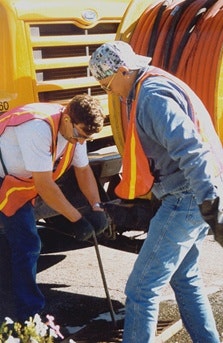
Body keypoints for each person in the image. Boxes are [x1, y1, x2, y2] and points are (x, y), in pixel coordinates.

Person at [89, 41, 223, 343]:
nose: (110, 93)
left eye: (107, 86)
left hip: (187, 197)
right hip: (190, 193)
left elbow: (192, 151)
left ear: (123, 71)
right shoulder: (153, 84)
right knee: (185, 278)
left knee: (141, 289)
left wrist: (210, 207)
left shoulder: (152, 97)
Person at [0, 94, 108, 322]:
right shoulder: (38, 128)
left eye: (85, 138)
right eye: (80, 135)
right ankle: (29, 317)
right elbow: (45, 185)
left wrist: (97, 207)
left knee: (22, 241)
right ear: (67, 119)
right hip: (6, 180)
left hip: (19, 180)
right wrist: (77, 219)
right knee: (27, 242)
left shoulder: (73, 131)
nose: (80, 141)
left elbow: (83, 170)